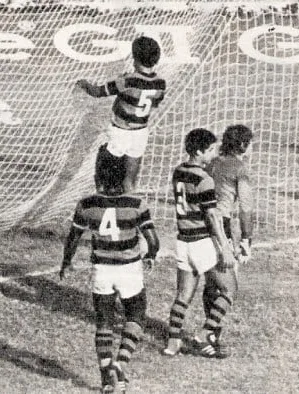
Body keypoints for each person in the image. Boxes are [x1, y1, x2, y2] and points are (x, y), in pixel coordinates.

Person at [59, 151, 160, 393]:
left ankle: (106, 377)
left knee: (103, 322)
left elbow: (73, 237)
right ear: (124, 176)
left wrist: (66, 262)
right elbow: (152, 239)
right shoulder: (136, 204)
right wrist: (151, 255)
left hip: (102, 270)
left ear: (97, 176)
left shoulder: (86, 205)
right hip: (129, 269)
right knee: (135, 315)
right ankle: (120, 363)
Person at [163, 128, 237, 359]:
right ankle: (205, 334)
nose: (213, 154)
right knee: (229, 288)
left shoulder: (178, 172)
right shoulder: (204, 180)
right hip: (202, 242)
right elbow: (212, 216)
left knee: (183, 295)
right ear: (198, 151)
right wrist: (224, 247)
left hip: (183, 241)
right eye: (210, 150)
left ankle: (172, 343)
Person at [76, 35, 166, 193]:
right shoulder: (160, 84)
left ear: (134, 58)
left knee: (105, 179)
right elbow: (154, 103)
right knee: (129, 182)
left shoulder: (128, 80)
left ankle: (104, 204)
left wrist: (84, 84)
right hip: (140, 134)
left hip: (120, 132)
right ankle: (130, 210)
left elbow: (98, 92)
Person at [199, 124, 255, 356]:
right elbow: (246, 208)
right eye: (250, 143)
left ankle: (212, 337)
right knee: (229, 286)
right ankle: (207, 333)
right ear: (242, 145)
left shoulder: (212, 162)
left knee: (211, 284)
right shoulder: (240, 168)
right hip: (220, 226)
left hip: (200, 225)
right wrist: (246, 239)